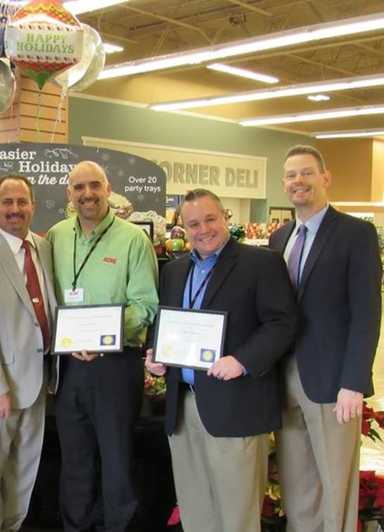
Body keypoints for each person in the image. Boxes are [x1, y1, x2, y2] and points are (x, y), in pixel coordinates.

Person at [145, 188, 297, 532]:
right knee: (196, 510)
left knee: (236, 516)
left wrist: (242, 360)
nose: (203, 229)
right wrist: (157, 354)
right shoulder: (174, 270)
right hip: (183, 409)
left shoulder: (262, 263)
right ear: (182, 228)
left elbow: (283, 323)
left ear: (225, 216)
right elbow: (166, 323)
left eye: (210, 219)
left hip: (236, 406)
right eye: (193, 223)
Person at [270, 145, 382, 532]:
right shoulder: (280, 237)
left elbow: (366, 312)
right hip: (284, 377)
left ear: (325, 177)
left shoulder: (356, 234)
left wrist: (354, 381)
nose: (298, 181)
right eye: (290, 175)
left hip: (334, 382)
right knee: (297, 482)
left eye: (306, 173)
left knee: (336, 484)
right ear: (283, 184)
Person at [46, 161, 159, 532]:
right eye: (79, 187)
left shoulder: (132, 240)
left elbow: (145, 305)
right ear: (69, 194)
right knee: (76, 460)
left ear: (108, 189)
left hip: (115, 364)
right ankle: (76, 527)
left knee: (116, 460)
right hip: (68, 367)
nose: (87, 194)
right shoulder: (57, 236)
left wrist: (103, 338)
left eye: (95, 185)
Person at [0, 175, 58, 532]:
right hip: (0, 390)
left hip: (40, 382)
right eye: (8, 202)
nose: (15, 209)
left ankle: (12, 527)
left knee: (24, 470)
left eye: (22, 202)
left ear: (33, 205)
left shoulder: (45, 248)